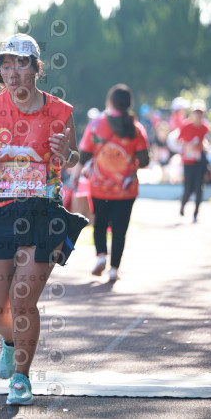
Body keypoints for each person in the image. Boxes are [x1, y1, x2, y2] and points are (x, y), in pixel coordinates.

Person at [0, 33, 87, 406]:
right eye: (6, 64)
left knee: (22, 298)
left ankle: (21, 377)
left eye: (21, 63)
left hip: (43, 210)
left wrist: (66, 154)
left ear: (36, 68)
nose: (13, 71)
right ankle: (9, 340)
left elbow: (74, 157)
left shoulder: (60, 111)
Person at [79, 84, 150, 282]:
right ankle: (114, 269)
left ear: (110, 102)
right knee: (120, 229)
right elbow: (144, 160)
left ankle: (101, 256)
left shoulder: (96, 124)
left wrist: (76, 175)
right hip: (126, 189)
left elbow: (83, 155)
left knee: (99, 223)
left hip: (99, 187)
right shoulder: (136, 128)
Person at [177, 99, 210, 222]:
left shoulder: (205, 127)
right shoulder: (186, 126)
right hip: (188, 161)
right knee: (188, 188)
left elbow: (205, 141)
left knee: (199, 188)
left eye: (200, 112)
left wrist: (205, 146)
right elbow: (178, 141)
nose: (198, 114)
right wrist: (188, 145)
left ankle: (196, 213)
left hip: (199, 162)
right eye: (196, 112)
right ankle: (183, 205)